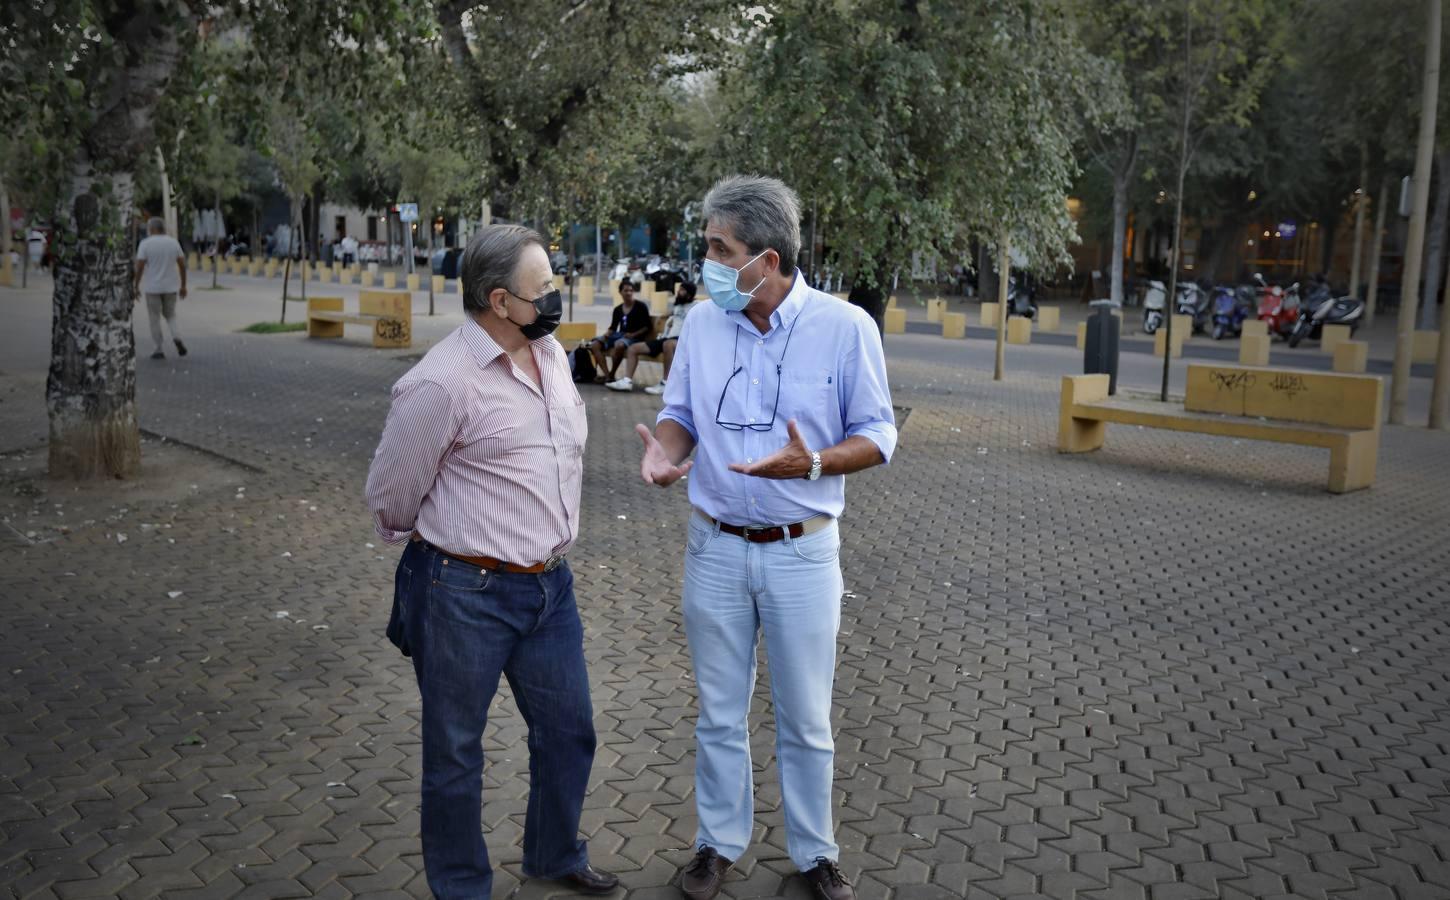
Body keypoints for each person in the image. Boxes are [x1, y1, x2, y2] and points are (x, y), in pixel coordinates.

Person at [634, 176, 896, 900]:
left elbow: (879, 435)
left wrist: (809, 461)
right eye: (708, 245)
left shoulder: (845, 329)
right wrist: (664, 448)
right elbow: (679, 410)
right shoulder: (703, 323)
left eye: (721, 248)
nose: (707, 261)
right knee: (719, 710)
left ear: (769, 260)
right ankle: (717, 845)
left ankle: (815, 853)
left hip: (801, 549)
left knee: (806, 718)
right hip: (714, 545)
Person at [365, 224, 618, 899]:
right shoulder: (440, 384)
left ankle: (554, 853)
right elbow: (391, 497)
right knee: (455, 754)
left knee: (570, 733)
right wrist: (454, 542)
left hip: (548, 590)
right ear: (500, 301)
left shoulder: (552, 355)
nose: (558, 297)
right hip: (460, 593)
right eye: (546, 289)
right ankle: (462, 888)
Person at [607, 281, 698, 394]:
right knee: (633, 348)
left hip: (682, 340)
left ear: (690, 293)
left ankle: (665, 383)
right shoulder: (678, 306)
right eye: (679, 289)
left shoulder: (697, 306)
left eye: (682, 290)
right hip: (667, 339)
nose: (678, 292)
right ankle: (627, 381)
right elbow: (673, 316)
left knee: (667, 344)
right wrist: (664, 317)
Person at [133, 217, 188, 360]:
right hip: (171, 287)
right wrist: (183, 285)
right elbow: (182, 265)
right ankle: (176, 337)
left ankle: (158, 349)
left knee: (154, 318)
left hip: (152, 288)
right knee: (171, 315)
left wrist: (136, 285)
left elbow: (140, 266)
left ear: (151, 229)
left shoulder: (145, 244)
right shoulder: (173, 242)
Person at [586, 280, 653, 383]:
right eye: (626, 290)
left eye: (631, 290)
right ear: (620, 292)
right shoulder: (618, 309)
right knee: (594, 344)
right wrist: (606, 335)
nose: (629, 293)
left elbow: (647, 327)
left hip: (635, 338)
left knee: (619, 344)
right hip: (620, 336)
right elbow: (613, 327)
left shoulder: (641, 306)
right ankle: (608, 375)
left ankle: (612, 374)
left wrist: (632, 334)